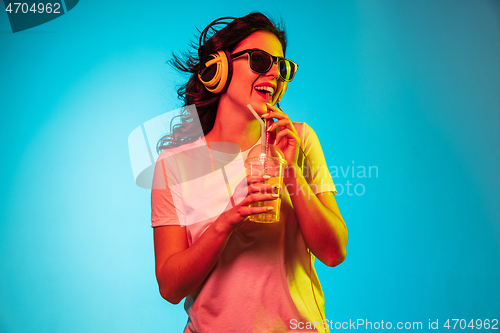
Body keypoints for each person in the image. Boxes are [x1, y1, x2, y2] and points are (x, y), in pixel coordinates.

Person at [151, 12, 348, 333]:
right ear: (219, 68)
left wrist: (290, 173)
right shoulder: (174, 164)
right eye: (259, 60)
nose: (274, 74)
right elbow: (170, 287)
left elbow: (333, 251)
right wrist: (228, 219)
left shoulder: (300, 140)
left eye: (282, 67)